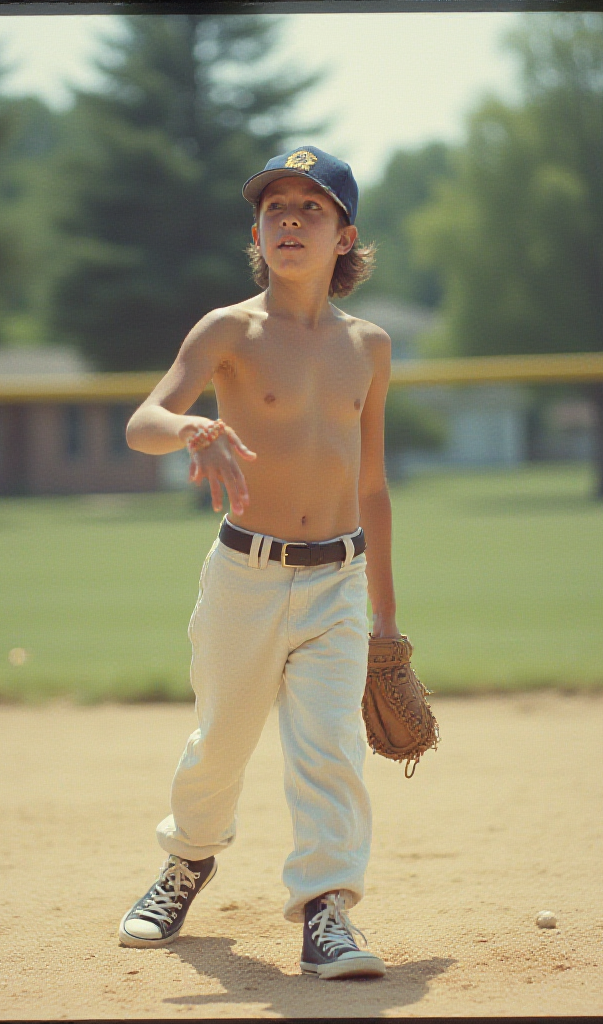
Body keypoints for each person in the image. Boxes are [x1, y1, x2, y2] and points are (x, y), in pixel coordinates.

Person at [120, 145, 397, 980]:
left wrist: (387, 621)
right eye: (276, 207)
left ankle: (327, 912)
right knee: (221, 745)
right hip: (245, 575)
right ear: (256, 230)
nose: (290, 219)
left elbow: (375, 487)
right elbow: (143, 420)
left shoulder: (370, 346)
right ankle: (187, 862)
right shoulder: (227, 330)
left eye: (311, 208)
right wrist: (190, 430)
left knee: (330, 748)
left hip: (338, 579)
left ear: (345, 236)